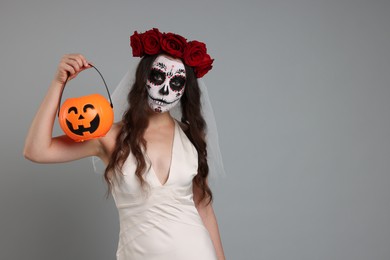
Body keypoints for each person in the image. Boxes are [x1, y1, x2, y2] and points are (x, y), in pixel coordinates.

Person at [24, 28, 225, 260]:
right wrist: (58, 83)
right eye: (158, 76)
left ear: (185, 89)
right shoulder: (108, 136)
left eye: (177, 81)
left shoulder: (194, 138)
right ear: (143, 78)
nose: (165, 89)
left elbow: (204, 208)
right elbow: (36, 150)